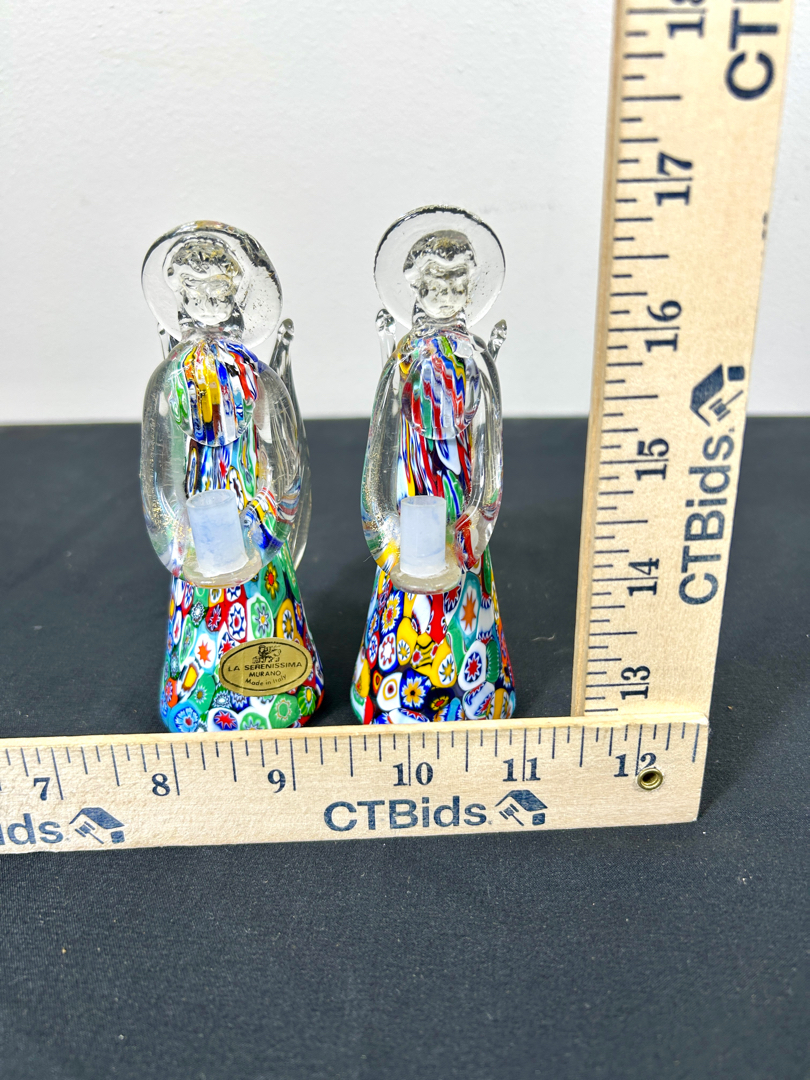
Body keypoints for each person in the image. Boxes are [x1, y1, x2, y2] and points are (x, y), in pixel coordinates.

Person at [140, 222, 323, 732]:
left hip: (249, 494)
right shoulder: (173, 374)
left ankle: (278, 684)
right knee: (208, 581)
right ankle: (201, 690)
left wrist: (272, 518)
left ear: (234, 298)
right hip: (202, 497)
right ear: (182, 302)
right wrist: (176, 537)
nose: (208, 306)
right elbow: (160, 463)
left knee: (259, 579)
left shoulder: (252, 371)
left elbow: (282, 448)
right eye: (196, 296)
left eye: (218, 294)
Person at [352, 207, 515, 724]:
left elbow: (488, 430)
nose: (446, 298)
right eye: (435, 288)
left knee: (460, 552)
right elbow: (387, 420)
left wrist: (482, 506)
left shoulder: (472, 354)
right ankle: (396, 665)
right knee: (415, 552)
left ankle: (472, 673)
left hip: (458, 471)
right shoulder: (408, 352)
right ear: (417, 291)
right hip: (414, 470)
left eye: (456, 288)